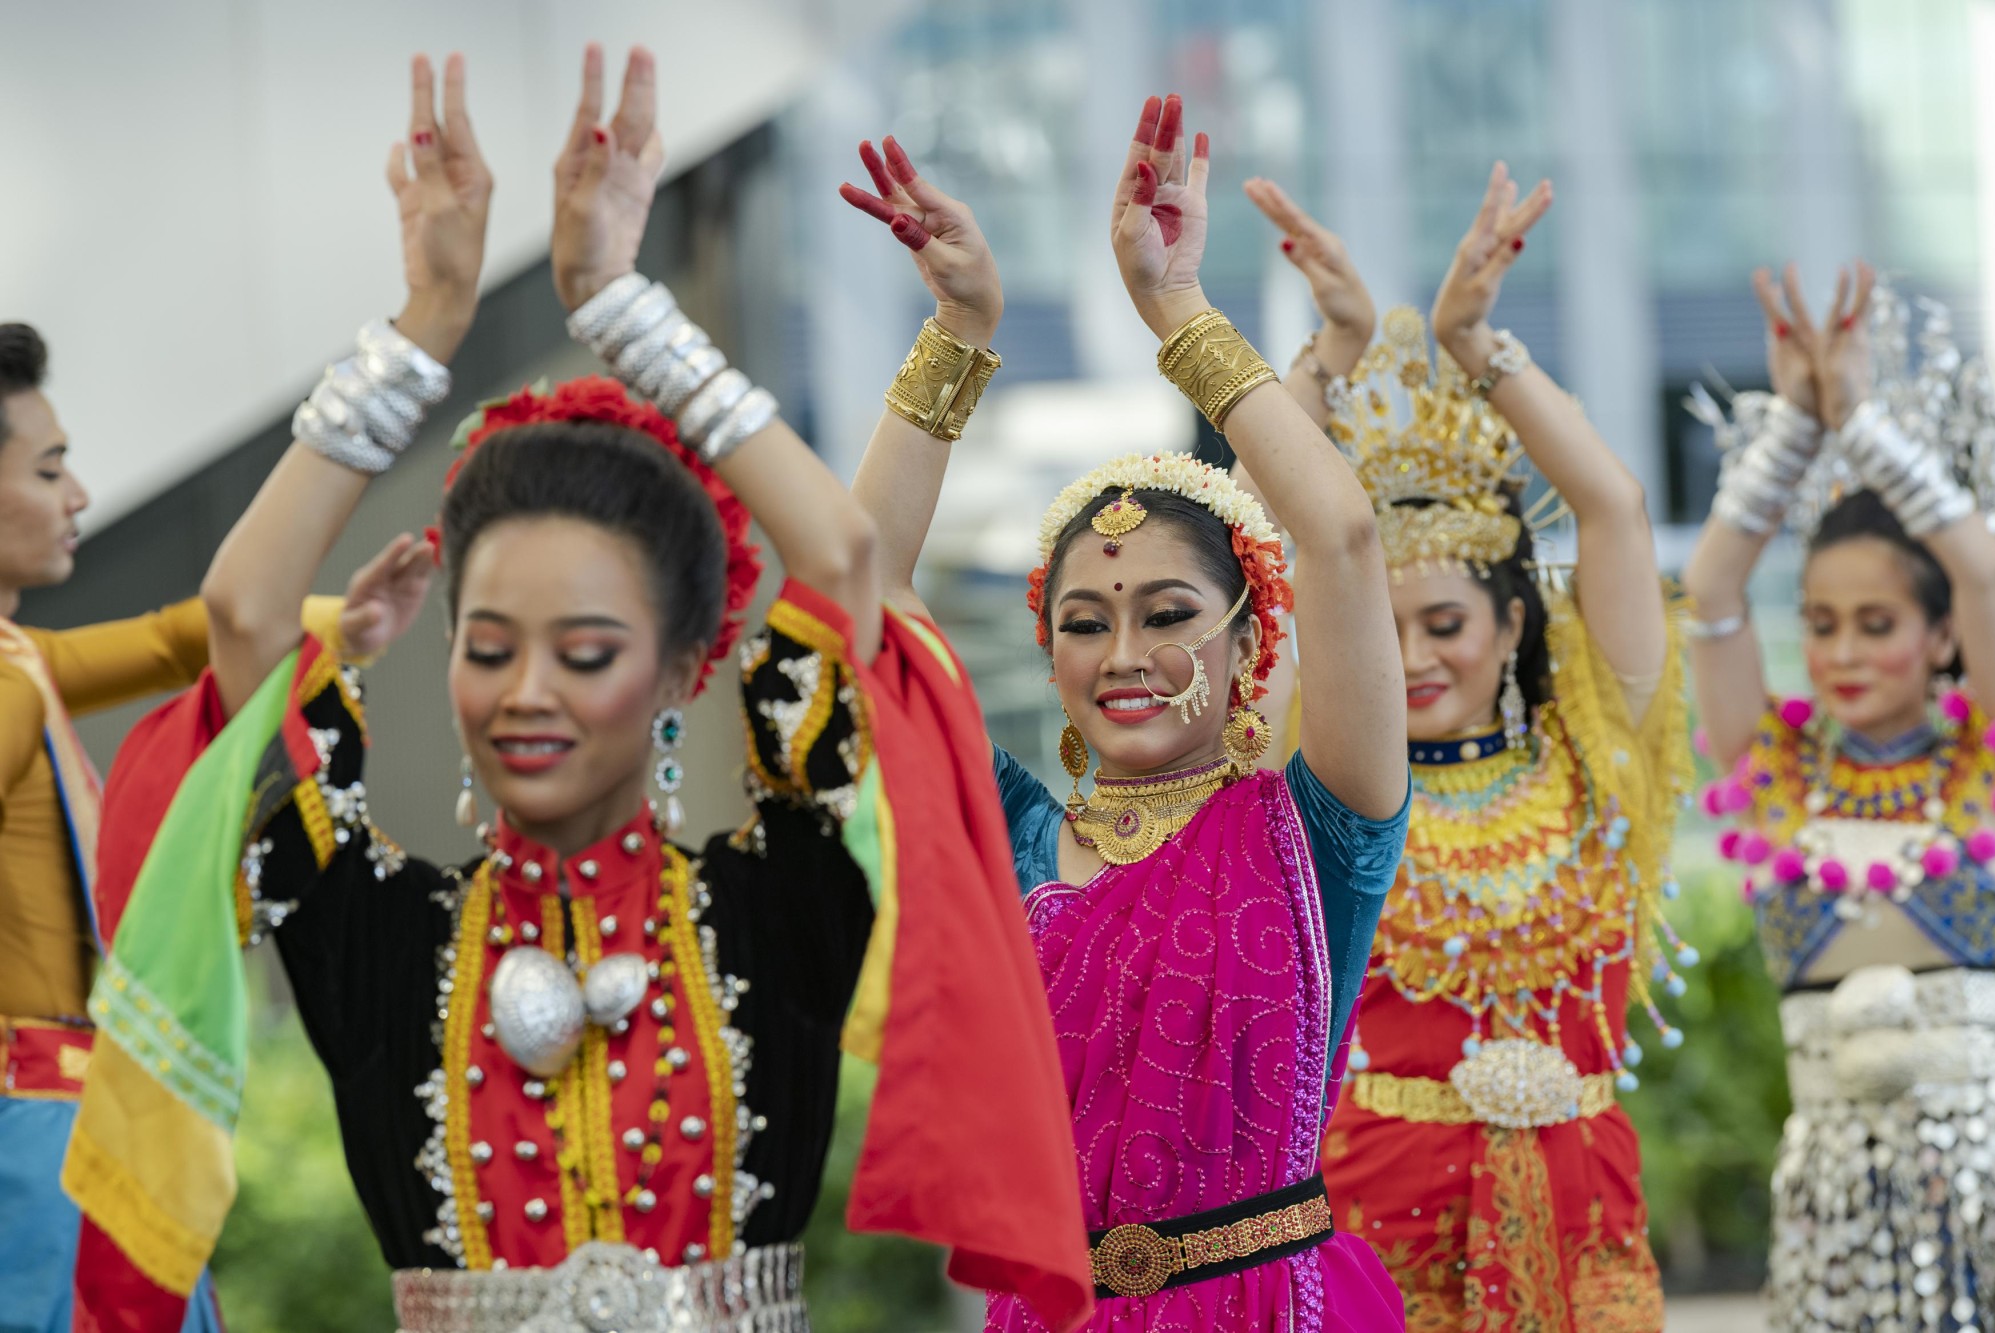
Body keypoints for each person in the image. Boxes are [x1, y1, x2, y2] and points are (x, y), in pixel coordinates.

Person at [61, 48, 1089, 1332]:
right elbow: (246, 618)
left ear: (673, 667)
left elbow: (842, 566)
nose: (524, 692)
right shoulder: (375, 927)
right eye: (488, 647)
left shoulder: (780, 896)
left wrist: (617, 303)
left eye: (585, 652)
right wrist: (427, 321)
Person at [841, 94, 1412, 1329]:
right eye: (1084, 625)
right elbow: (858, 599)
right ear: (1048, 663)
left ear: (1250, 637)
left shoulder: (1318, 829)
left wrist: (1175, 311)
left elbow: (1345, 538)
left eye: (1165, 613)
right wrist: (958, 330)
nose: (1124, 654)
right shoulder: (1016, 836)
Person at [1262, 167, 1690, 1330]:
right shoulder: (1332, 791)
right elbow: (1259, 535)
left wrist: (1472, 339)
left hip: (1583, 1218)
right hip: (1377, 1220)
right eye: (1378, 629)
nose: (1410, 659)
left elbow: (1610, 509)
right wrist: (1327, 357)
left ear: (1511, 623)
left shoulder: (1599, 757)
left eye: (1442, 624)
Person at [0, 318, 366, 1331]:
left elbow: (179, 638)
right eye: (49, 469)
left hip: (75, 1126)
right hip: (34, 1146)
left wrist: (353, 620)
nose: (78, 497)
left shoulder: (22, 657)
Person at [1685, 264, 1995, 1331]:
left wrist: (1856, 422)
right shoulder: (1770, 775)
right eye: (1819, 623)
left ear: (1941, 635)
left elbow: (1985, 572)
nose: (1839, 652)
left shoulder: (1980, 768)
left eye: (1875, 623)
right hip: (1830, 1220)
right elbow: (1715, 594)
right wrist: (1791, 431)